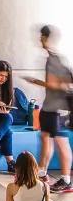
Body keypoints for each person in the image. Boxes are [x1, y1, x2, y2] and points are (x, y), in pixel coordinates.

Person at [29, 26, 73, 192]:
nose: (40, 40)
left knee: (61, 142)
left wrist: (36, 82)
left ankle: (66, 180)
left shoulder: (56, 60)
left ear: (47, 38)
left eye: (42, 37)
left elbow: (58, 84)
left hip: (57, 108)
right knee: (45, 137)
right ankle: (42, 172)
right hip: (49, 106)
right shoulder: (52, 58)